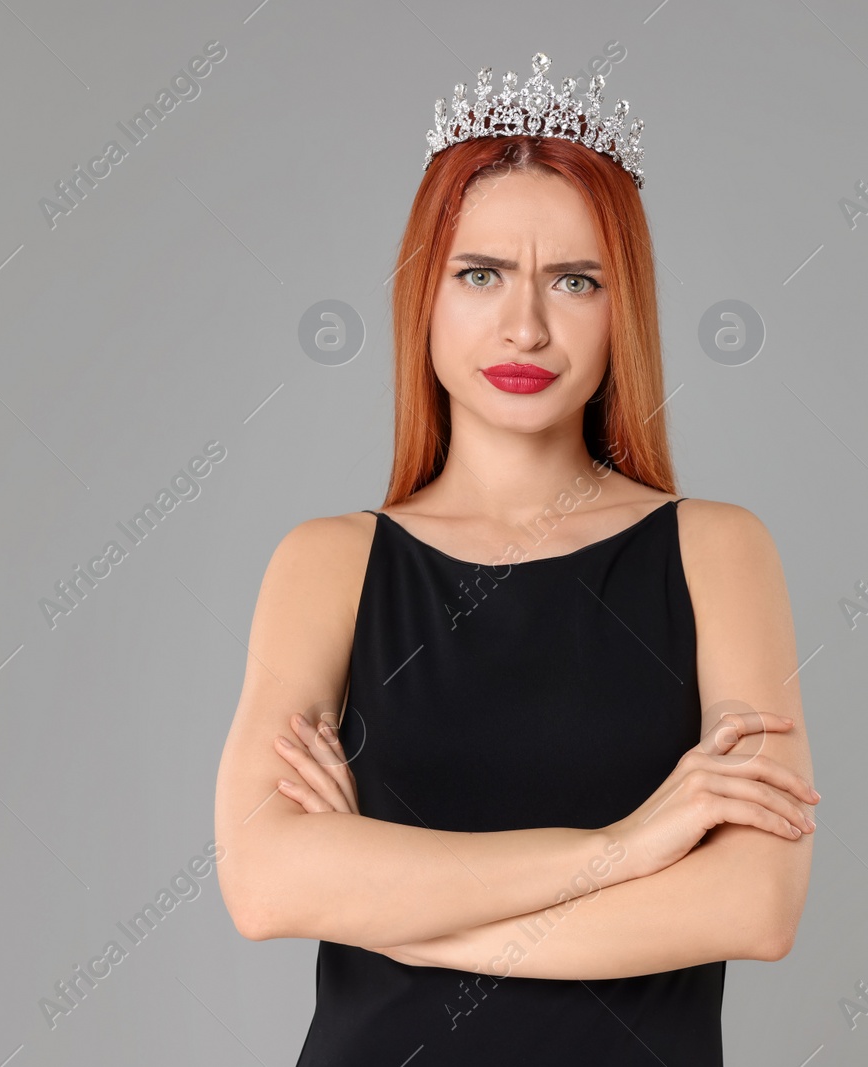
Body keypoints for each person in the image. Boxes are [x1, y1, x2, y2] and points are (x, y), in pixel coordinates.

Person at [213, 52, 819, 1065]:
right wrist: (623, 850)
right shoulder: (326, 565)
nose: (525, 324)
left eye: (573, 279)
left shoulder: (719, 551)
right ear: (427, 295)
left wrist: (390, 903)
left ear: (621, 305)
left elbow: (754, 902)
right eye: (481, 273)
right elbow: (265, 881)